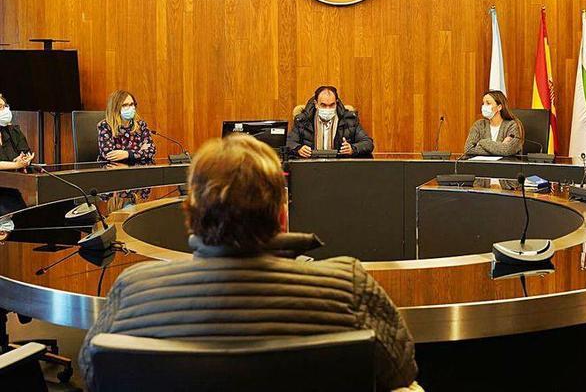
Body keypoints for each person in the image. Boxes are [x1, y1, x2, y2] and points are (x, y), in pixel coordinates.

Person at [78, 134, 419, 391]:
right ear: (283, 217)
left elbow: (93, 374)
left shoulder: (132, 290)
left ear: (190, 217)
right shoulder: (348, 286)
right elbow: (401, 371)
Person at [97, 90, 156, 203]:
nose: (130, 108)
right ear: (116, 107)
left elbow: (151, 150)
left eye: (132, 104)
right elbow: (108, 153)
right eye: (125, 105)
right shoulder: (105, 126)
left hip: (138, 179)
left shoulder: (141, 125)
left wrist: (127, 154)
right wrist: (139, 151)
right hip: (114, 181)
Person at [288, 86, 374, 158]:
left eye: (332, 105)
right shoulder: (303, 120)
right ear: (316, 104)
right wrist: (298, 149)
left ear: (336, 103)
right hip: (311, 166)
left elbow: (368, 143)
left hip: (340, 168)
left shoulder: (349, 119)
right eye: (323, 105)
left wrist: (352, 149)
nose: (328, 109)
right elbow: (289, 142)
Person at [0, 94, 34, 215]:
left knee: (25, 216)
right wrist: (15, 165)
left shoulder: (12, 131)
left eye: (5, 106)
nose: (5, 111)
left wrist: (25, 159)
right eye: (0, 107)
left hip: (12, 189)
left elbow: (25, 152)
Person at [463, 90, 523, 156]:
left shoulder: (512, 125)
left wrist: (482, 142)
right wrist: (499, 147)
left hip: (504, 165)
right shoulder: (479, 125)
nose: (484, 106)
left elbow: (507, 150)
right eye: (483, 103)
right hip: (482, 165)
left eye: (488, 103)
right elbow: (468, 149)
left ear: (499, 107)